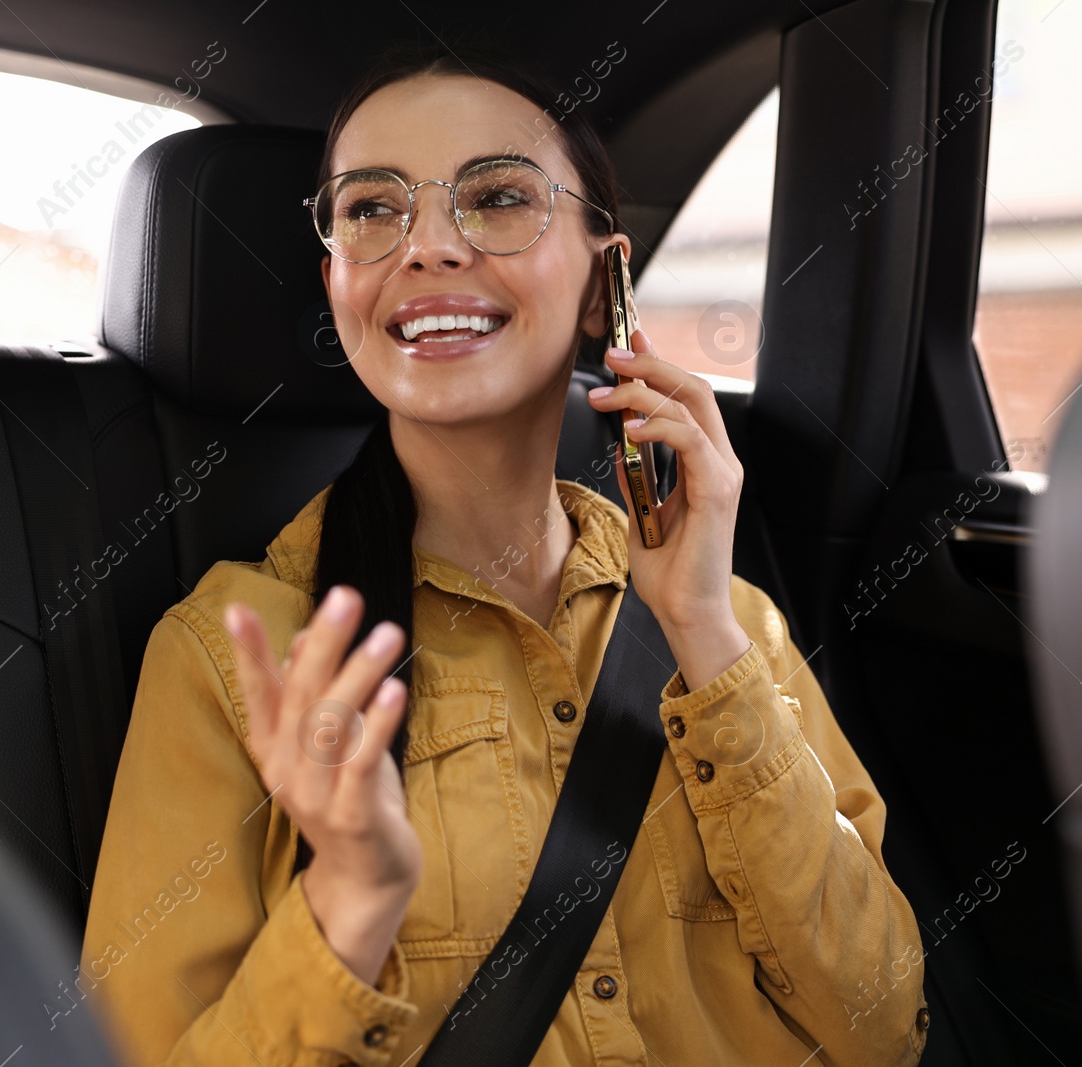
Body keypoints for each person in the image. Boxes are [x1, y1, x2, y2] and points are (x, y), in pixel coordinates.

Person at [81, 41, 928, 1067]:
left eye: (495, 197)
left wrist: (701, 630)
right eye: (371, 210)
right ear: (338, 281)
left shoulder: (732, 620)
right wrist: (347, 903)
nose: (426, 246)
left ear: (601, 282)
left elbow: (882, 1024)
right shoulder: (239, 651)